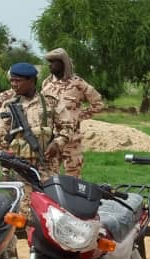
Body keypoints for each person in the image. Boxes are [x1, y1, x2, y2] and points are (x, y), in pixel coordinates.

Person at [0, 63, 74, 211]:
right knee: (23, 209)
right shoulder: (8, 105)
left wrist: (57, 143)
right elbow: (3, 139)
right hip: (20, 167)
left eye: (18, 80)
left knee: (51, 207)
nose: (13, 84)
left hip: (47, 166)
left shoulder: (50, 101)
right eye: (12, 80)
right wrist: (5, 171)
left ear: (31, 81)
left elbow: (67, 126)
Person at [42, 48, 104, 178]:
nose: (50, 65)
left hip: (72, 141)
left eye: (54, 62)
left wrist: (79, 117)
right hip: (52, 140)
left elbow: (98, 104)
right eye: (49, 62)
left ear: (63, 63)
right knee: (49, 178)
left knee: (73, 179)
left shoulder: (78, 83)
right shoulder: (46, 84)